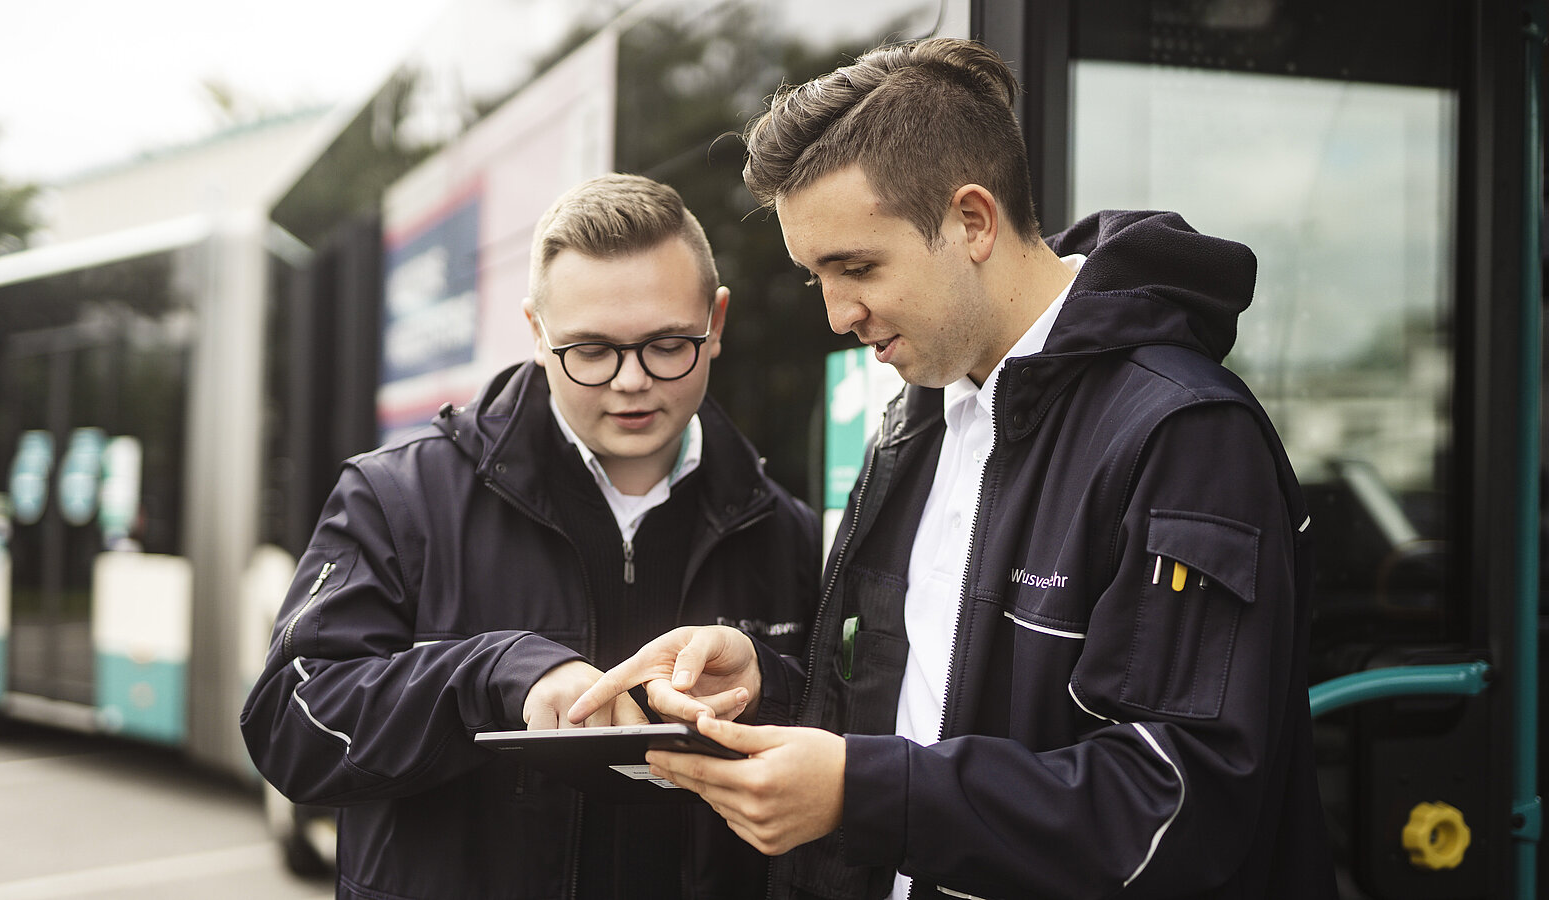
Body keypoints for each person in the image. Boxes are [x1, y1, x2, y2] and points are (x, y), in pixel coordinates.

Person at [570, 38, 1337, 899]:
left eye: (856, 267)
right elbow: (922, 708)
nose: (837, 314)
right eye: (815, 275)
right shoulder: (921, 415)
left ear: (973, 220)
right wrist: (763, 684)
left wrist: (860, 793)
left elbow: (1179, 809)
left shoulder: (1187, 437)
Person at [240, 174, 820, 900]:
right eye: (592, 350)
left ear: (718, 322)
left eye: (669, 344)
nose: (632, 381)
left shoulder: (785, 530)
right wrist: (490, 677)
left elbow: (841, 748)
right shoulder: (397, 499)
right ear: (538, 334)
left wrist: (769, 686)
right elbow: (290, 731)